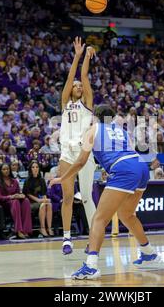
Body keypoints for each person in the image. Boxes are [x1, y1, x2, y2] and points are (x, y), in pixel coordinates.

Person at [50, 105, 159, 280]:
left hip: (124, 169)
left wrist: (62, 178)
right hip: (140, 166)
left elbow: (79, 162)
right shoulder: (121, 130)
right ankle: (148, 251)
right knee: (127, 214)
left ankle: (91, 266)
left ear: (95, 117)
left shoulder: (92, 130)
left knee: (99, 219)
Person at [58, 37, 97, 255]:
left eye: (81, 86)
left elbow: (82, 75)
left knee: (87, 196)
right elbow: (72, 76)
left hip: (84, 152)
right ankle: (66, 239)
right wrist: (76, 56)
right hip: (67, 153)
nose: (79, 86)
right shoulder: (65, 102)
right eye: (76, 86)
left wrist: (86, 57)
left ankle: (94, 238)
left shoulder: (88, 103)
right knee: (67, 196)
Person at [0, 163, 32, 239]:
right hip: (4, 204)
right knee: (15, 202)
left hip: (15, 202)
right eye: (4, 169)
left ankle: (26, 230)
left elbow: (18, 193)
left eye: (7, 169)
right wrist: (11, 197)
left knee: (26, 201)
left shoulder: (14, 181)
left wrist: (21, 195)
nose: (6, 171)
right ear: (0, 171)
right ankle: (18, 230)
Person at [22, 160, 54, 237]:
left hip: (40, 201)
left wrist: (45, 199)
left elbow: (44, 193)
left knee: (49, 204)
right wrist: (39, 200)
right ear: (30, 169)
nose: (35, 168)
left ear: (39, 168)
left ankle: (49, 228)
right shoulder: (27, 180)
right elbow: (28, 194)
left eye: (37, 167)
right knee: (43, 205)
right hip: (30, 203)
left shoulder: (41, 180)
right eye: (33, 167)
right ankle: (42, 228)